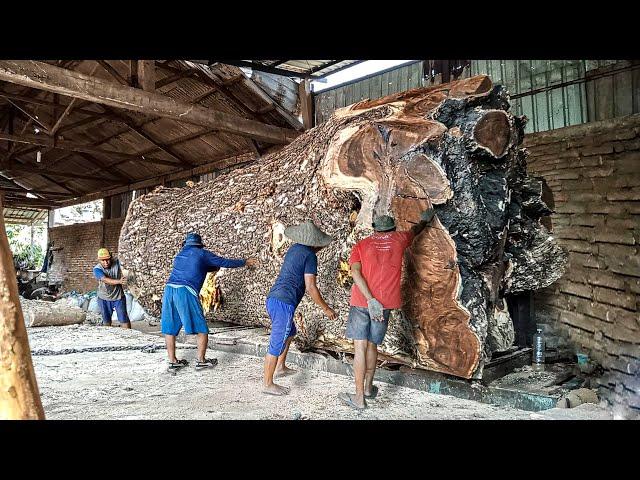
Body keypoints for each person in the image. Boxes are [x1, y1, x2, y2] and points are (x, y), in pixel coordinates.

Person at [339, 208, 436, 409]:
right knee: (373, 345)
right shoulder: (400, 239)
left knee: (360, 348)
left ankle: (359, 398)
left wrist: (369, 299)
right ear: (392, 228)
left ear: (375, 229)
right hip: (384, 304)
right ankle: (367, 388)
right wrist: (425, 220)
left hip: (361, 302)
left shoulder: (361, 245)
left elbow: (356, 274)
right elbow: (416, 230)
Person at [161, 232, 256, 372]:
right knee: (201, 328)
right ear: (199, 245)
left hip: (169, 290)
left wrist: (211, 266)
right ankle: (201, 361)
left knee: (170, 328)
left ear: (185, 244)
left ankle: (173, 361)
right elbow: (224, 262)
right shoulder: (202, 254)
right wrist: (244, 262)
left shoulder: (179, 255)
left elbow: (196, 267)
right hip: (185, 291)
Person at [263, 220, 337, 396]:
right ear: (315, 244)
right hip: (283, 302)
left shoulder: (294, 249)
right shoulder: (310, 256)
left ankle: (280, 367)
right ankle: (267, 383)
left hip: (275, 299)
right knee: (277, 341)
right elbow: (311, 287)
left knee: (290, 333)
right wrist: (326, 309)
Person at [93, 248, 130, 328]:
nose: (106, 262)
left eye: (107, 260)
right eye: (103, 260)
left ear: (111, 258)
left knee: (124, 319)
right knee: (106, 321)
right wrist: (119, 281)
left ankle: (129, 336)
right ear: (99, 260)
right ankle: (108, 338)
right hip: (104, 297)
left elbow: (126, 263)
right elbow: (105, 279)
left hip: (118, 296)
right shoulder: (97, 269)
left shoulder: (117, 263)